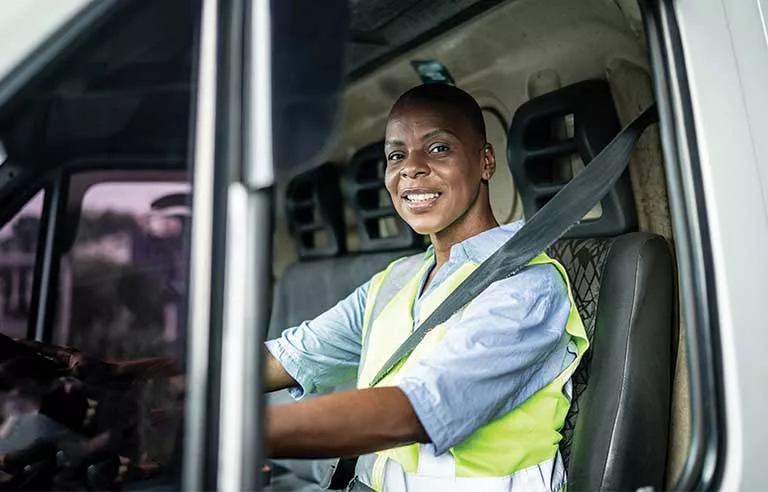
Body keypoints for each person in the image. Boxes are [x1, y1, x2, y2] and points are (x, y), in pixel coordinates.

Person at [264, 84, 588, 492]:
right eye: (396, 155)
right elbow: (295, 354)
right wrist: (176, 387)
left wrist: (234, 432)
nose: (410, 168)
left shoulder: (526, 287)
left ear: (485, 162)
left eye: (438, 148)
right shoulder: (395, 280)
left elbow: (416, 409)